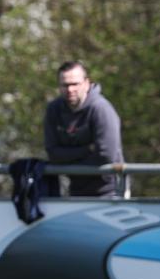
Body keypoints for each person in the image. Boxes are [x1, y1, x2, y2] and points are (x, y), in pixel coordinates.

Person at [43, 61, 124, 198]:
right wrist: (88, 149)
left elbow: (106, 155)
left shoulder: (101, 109)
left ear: (86, 83)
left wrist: (68, 157)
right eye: (65, 85)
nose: (70, 90)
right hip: (76, 191)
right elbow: (53, 153)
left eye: (75, 84)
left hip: (110, 191)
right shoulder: (54, 109)